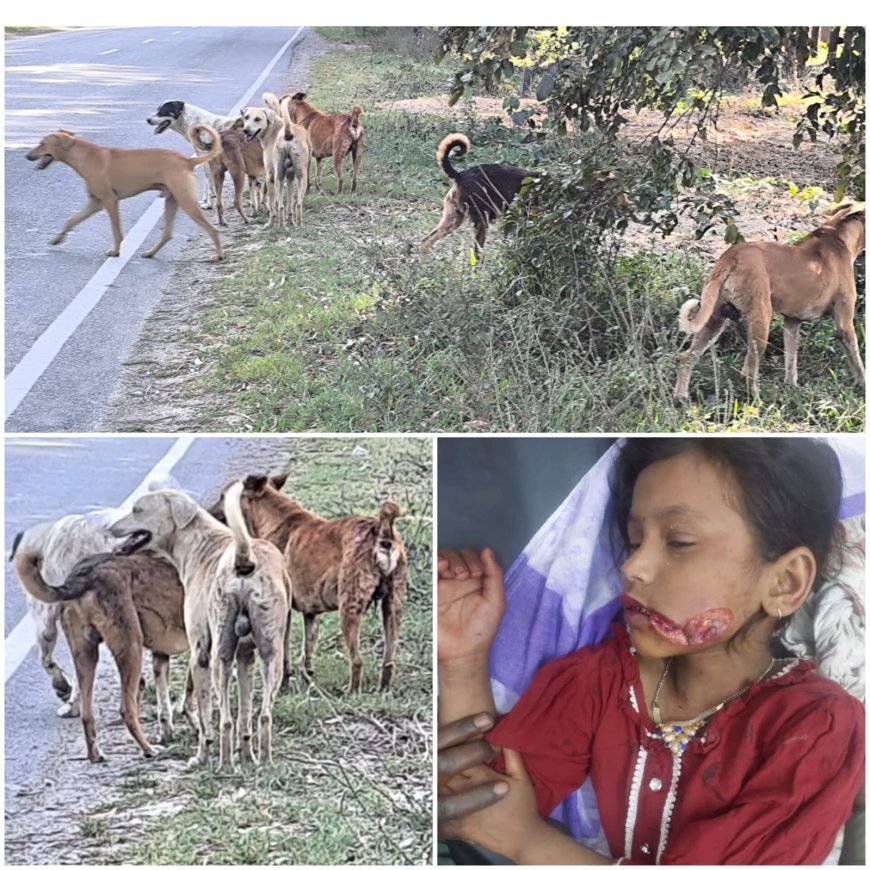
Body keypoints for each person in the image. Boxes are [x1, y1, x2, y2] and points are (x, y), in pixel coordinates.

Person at [437, 438, 865, 865]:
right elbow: (485, 807)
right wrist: (463, 660)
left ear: (784, 583)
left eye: (679, 542)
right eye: (635, 540)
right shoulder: (601, 681)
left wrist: (529, 842)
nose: (632, 566)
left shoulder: (817, 728)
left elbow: (512, 830)